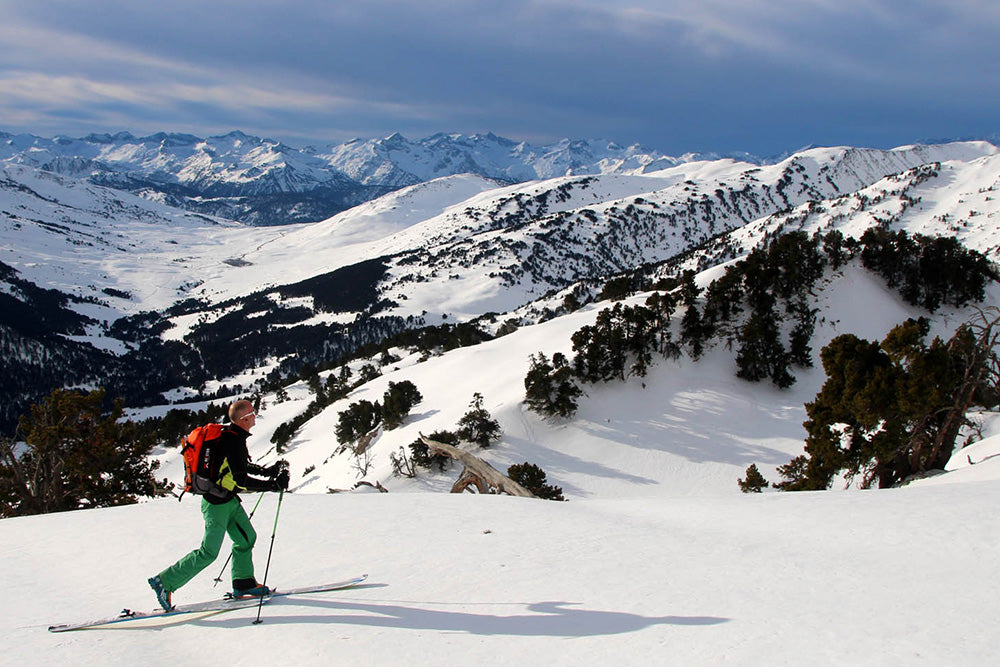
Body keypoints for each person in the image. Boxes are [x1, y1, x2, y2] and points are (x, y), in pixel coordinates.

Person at [148, 399, 290, 611]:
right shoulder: (232, 440)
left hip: (228, 500)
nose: (255, 415)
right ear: (244, 419)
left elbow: (239, 467)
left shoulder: (232, 436)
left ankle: (243, 583)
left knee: (246, 538)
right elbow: (241, 479)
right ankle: (164, 582)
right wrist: (272, 485)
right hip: (216, 504)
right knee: (209, 552)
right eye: (252, 412)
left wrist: (268, 472)